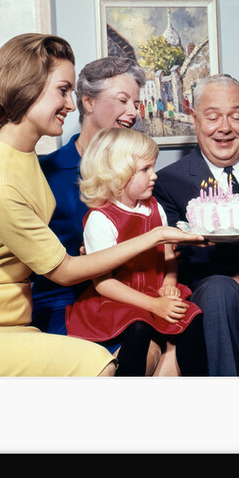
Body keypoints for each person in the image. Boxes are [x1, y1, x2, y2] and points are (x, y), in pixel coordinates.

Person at [0, 34, 202, 377]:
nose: (70, 104)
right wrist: (155, 237)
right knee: (101, 367)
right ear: (27, 87)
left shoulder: (20, 153)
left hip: (10, 320)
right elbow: (63, 270)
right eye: (63, 90)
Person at [153, 74, 239, 376]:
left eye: (236, 116)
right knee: (220, 291)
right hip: (215, 284)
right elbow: (181, 256)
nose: (224, 128)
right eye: (213, 117)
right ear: (194, 116)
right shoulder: (168, 182)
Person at [65, 128, 207, 376]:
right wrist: (154, 304)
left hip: (155, 291)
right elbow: (103, 284)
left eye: (153, 168)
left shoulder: (154, 207)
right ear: (117, 174)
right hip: (117, 299)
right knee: (138, 327)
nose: (154, 176)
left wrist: (170, 282)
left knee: (192, 319)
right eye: (145, 169)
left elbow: (168, 254)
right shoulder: (100, 219)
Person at [29, 55, 147, 335]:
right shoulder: (45, 173)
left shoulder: (143, 175)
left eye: (136, 103)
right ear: (88, 102)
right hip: (63, 303)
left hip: (132, 299)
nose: (133, 112)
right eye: (122, 100)